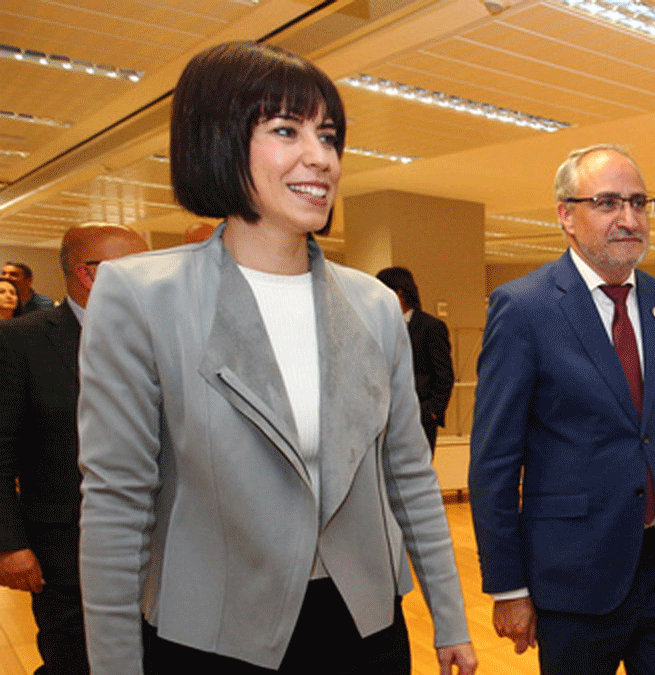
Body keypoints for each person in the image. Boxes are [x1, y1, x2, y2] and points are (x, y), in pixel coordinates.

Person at [76, 41, 476, 675]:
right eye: (286, 130)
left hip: (362, 626)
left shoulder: (372, 304)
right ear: (219, 141)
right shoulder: (141, 296)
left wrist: (450, 619)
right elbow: (117, 502)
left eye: (329, 135)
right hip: (214, 635)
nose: (320, 157)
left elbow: (408, 476)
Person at [469, 144, 655, 675]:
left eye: (638, 203)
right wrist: (509, 586)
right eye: (607, 203)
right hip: (574, 578)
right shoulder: (524, 308)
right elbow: (494, 462)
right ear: (566, 214)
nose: (628, 219)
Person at [0, 223, 149, 675]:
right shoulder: (21, 341)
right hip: (67, 550)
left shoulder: (156, 336)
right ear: (89, 274)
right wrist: (11, 546)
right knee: (75, 661)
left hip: (155, 547)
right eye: (138, 268)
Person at [376, 267, 454, 456]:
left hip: (419, 418)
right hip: (384, 420)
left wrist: (431, 412)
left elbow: (444, 375)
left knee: (417, 477)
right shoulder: (379, 325)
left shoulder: (431, 327)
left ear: (398, 293)